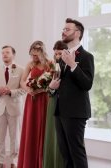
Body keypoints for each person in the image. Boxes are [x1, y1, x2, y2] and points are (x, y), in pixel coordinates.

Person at [48, 18, 95, 168]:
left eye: (67, 29)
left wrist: (73, 65)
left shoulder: (87, 56)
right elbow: (61, 84)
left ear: (77, 33)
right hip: (60, 110)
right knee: (65, 153)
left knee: (77, 152)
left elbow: (87, 84)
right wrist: (52, 87)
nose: (63, 32)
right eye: (63, 29)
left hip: (76, 112)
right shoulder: (63, 56)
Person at [18, 41, 49, 168]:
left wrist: (42, 89)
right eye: (32, 55)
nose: (33, 57)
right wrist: (28, 89)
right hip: (32, 99)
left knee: (45, 126)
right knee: (31, 126)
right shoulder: (30, 64)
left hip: (45, 98)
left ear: (42, 52)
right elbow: (22, 81)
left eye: (36, 55)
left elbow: (54, 80)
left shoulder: (50, 63)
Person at [0, 45, 25, 168]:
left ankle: (14, 161)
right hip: (0, 108)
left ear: (13, 55)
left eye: (7, 52)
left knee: (15, 137)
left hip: (14, 107)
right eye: (3, 53)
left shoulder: (21, 70)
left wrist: (11, 92)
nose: (4, 55)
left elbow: (24, 89)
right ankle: (0, 162)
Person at [43, 40, 68, 168]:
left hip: (66, 104)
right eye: (56, 54)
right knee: (52, 134)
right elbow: (49, 90)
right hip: (53, 103)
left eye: (60, 54)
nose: (57, 56)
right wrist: (51, 87)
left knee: (65, 138)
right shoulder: (52, 67)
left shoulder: (69, 66)